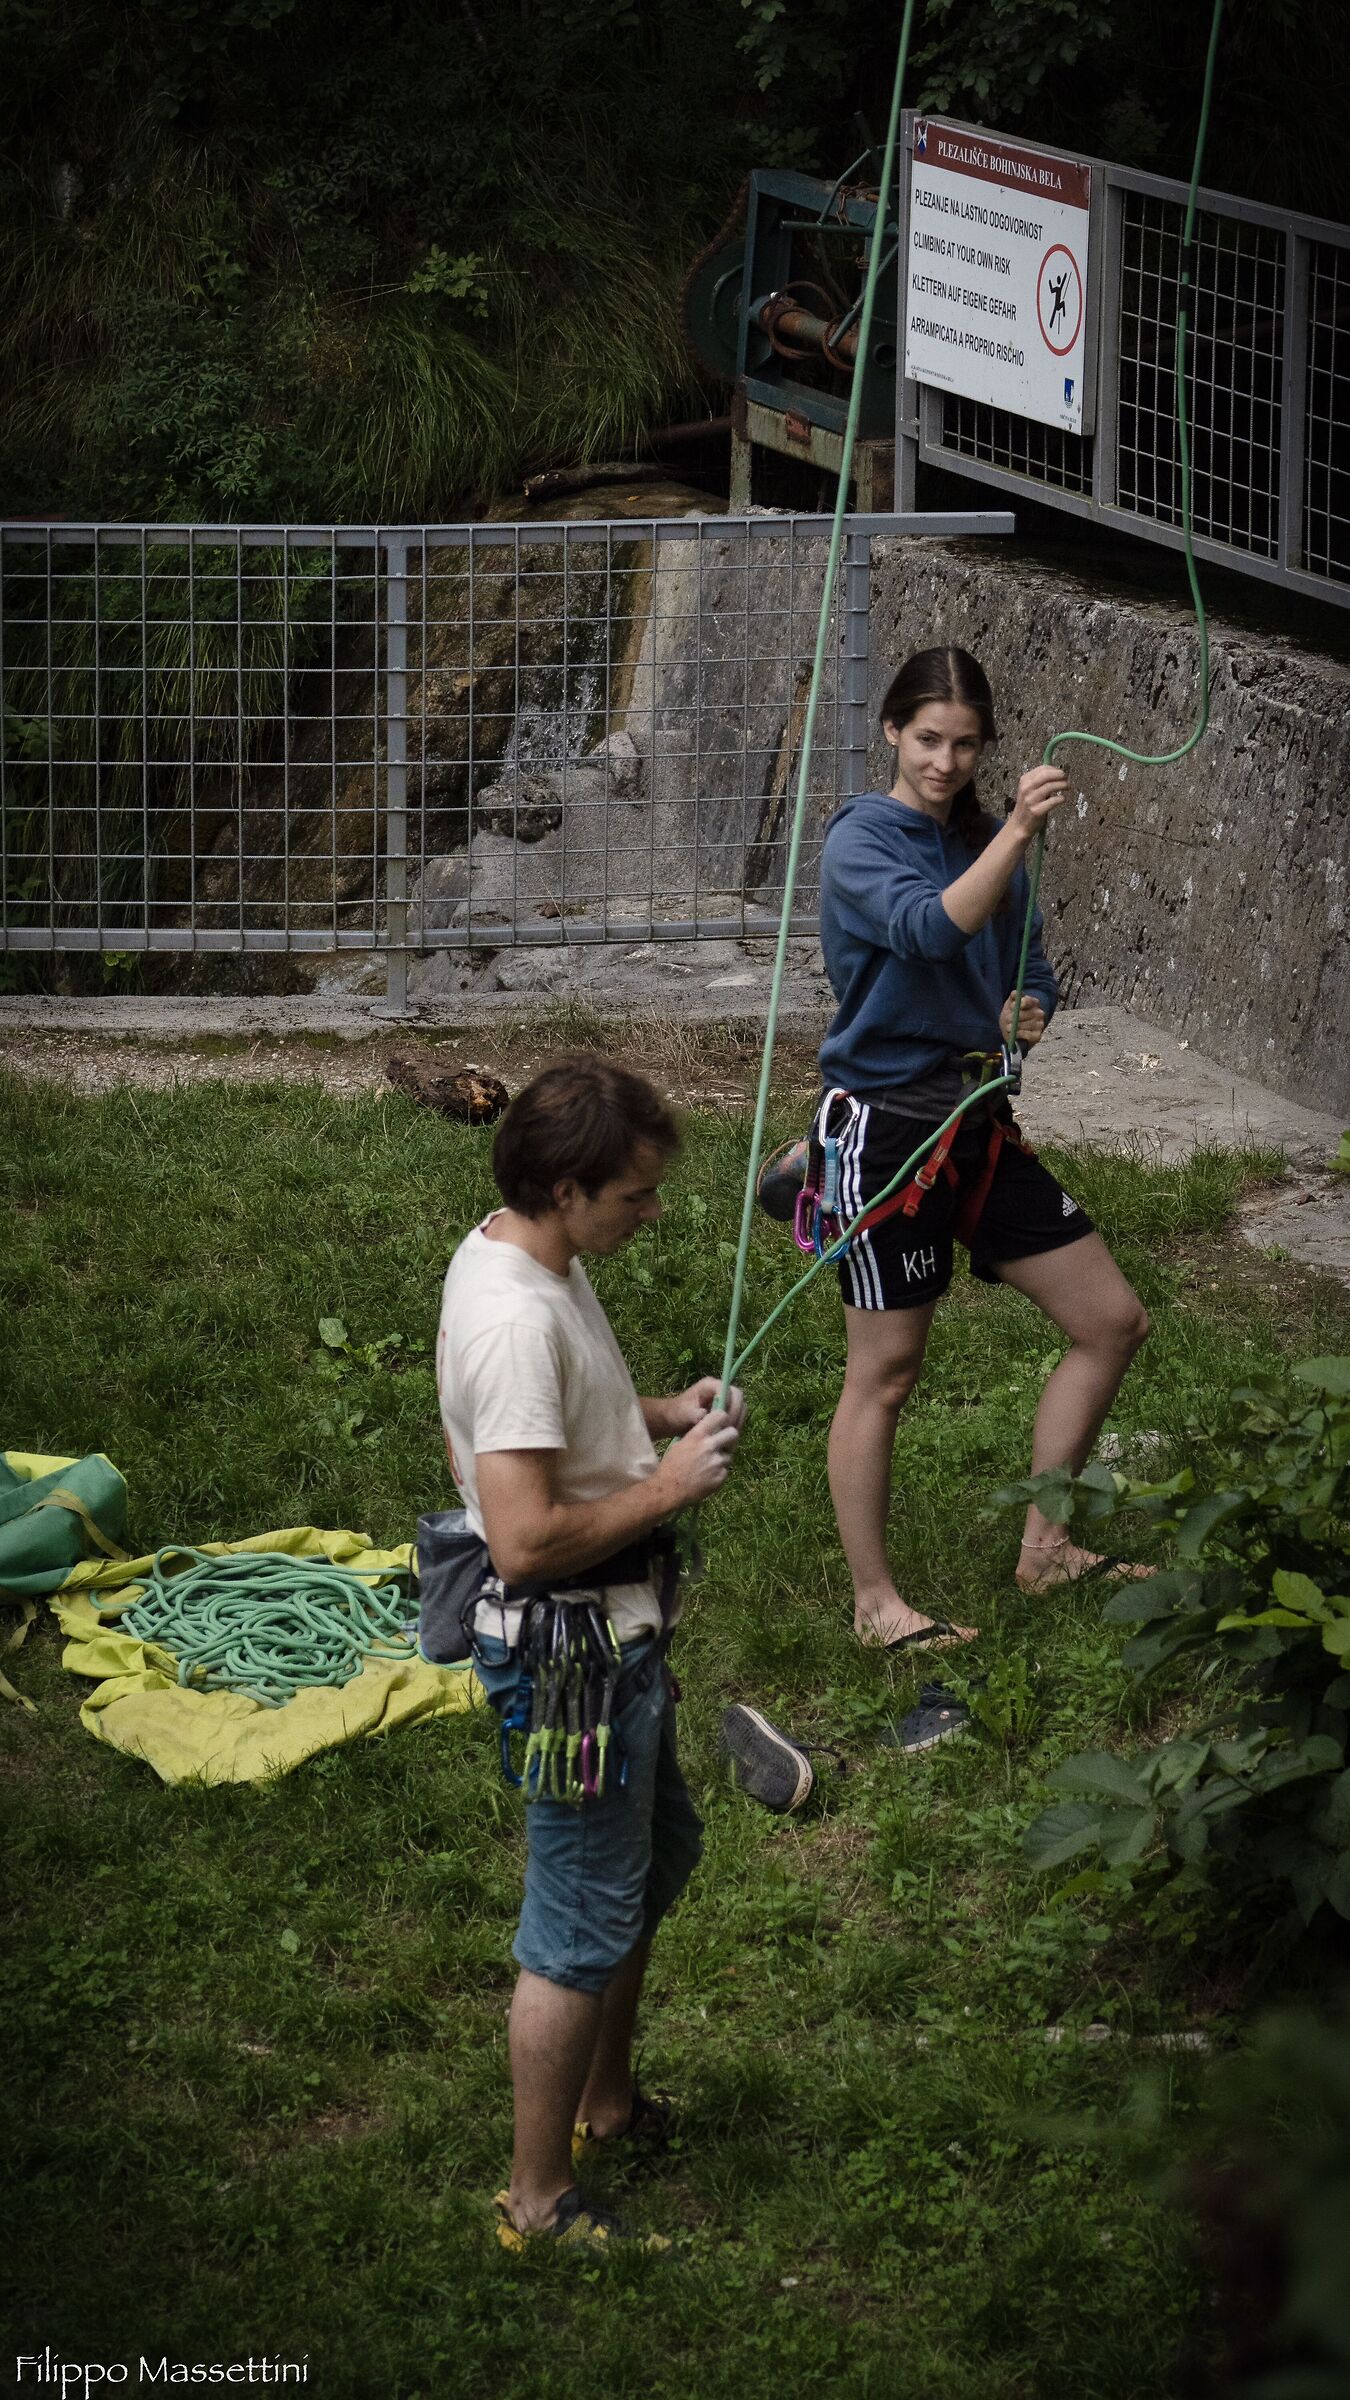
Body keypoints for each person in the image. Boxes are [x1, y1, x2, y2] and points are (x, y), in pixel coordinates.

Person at [435, 1057, 745, 2251]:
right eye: (633, 1195)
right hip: (570, 1659)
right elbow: (519, 1542)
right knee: (574, 1927)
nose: (651, 1211)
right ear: (566, 1190)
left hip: (617, 1641)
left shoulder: (520, 1253)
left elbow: (533, 1433)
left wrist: (652, 1418)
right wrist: (664, 1488)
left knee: (656, 1858)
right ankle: (536, 2199)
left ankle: (606, 2108)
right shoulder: (515, 1320)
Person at [815, 646, 1150, 1660]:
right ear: (891, 733)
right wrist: (1014, 830)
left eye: (966, 744)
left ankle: (1046, 1547)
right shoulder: (862, 839)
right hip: (885, 1129)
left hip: (977, 1122)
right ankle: (876, 1603)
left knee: (1113, 1320)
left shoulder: (986, 839)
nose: (947, 762)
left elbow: (1028, 958)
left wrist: (1031, 1004)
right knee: (887, 1372)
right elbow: (925, 930)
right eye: (928, 740)